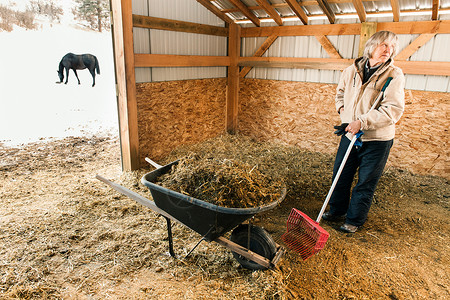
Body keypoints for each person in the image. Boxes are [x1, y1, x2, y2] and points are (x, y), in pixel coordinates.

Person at [322, 31, 405, 233]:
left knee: (365, 182)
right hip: (350, 134)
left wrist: (362, 122)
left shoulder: (394, 75)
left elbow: (393, 110)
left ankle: (353, 220)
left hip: (377, 140)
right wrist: (344, 114)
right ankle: (337, 211)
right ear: (371, 46)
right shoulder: (351, 71)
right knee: (340, 175)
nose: (388, 50)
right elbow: (340, 95)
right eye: (384, 45)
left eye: (392, 47)